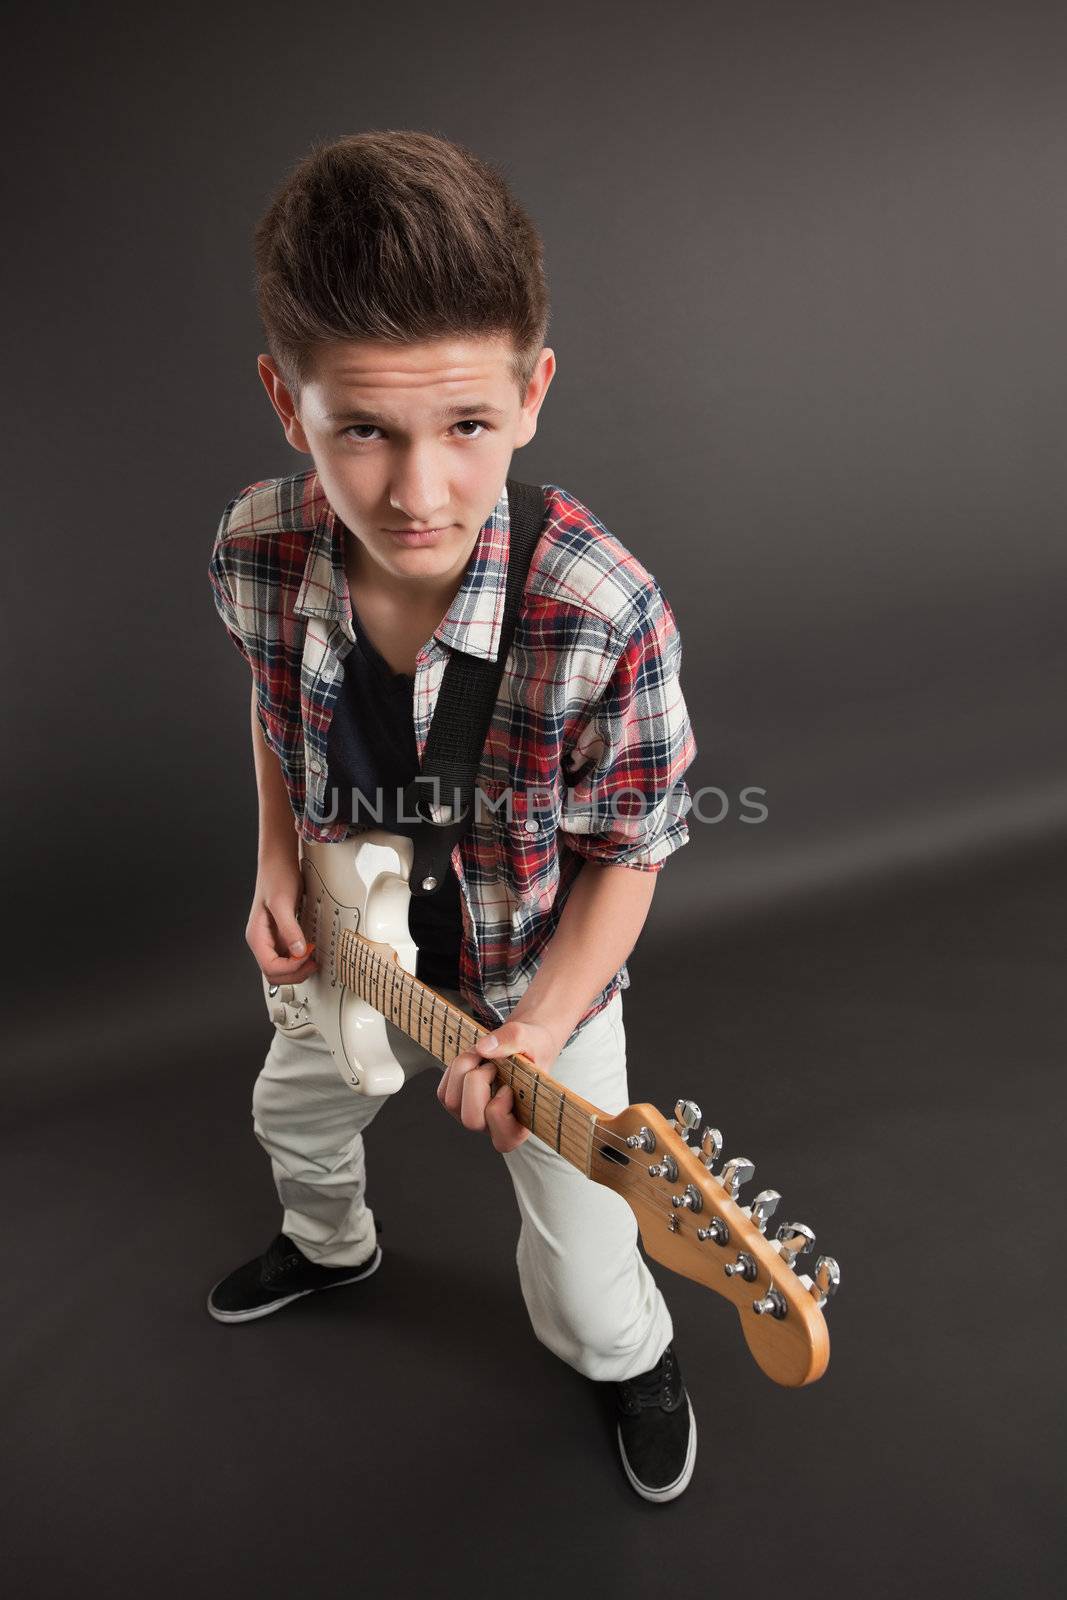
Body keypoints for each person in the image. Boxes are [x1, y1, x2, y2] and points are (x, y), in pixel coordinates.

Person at [206, 130, 698, 1503]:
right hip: (339, 942)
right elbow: (271, 705)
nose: (416, 494)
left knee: (594, 1268)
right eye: (360, 428)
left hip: (537, 981)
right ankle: (330, 1244)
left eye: (466, 426)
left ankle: (631, 1355)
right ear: (283, 399)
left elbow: (631, 851)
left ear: (533, 394)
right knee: (293, 1118)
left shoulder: (603, 613)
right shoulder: (256, 545)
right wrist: (272, 864)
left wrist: (539, 1026)